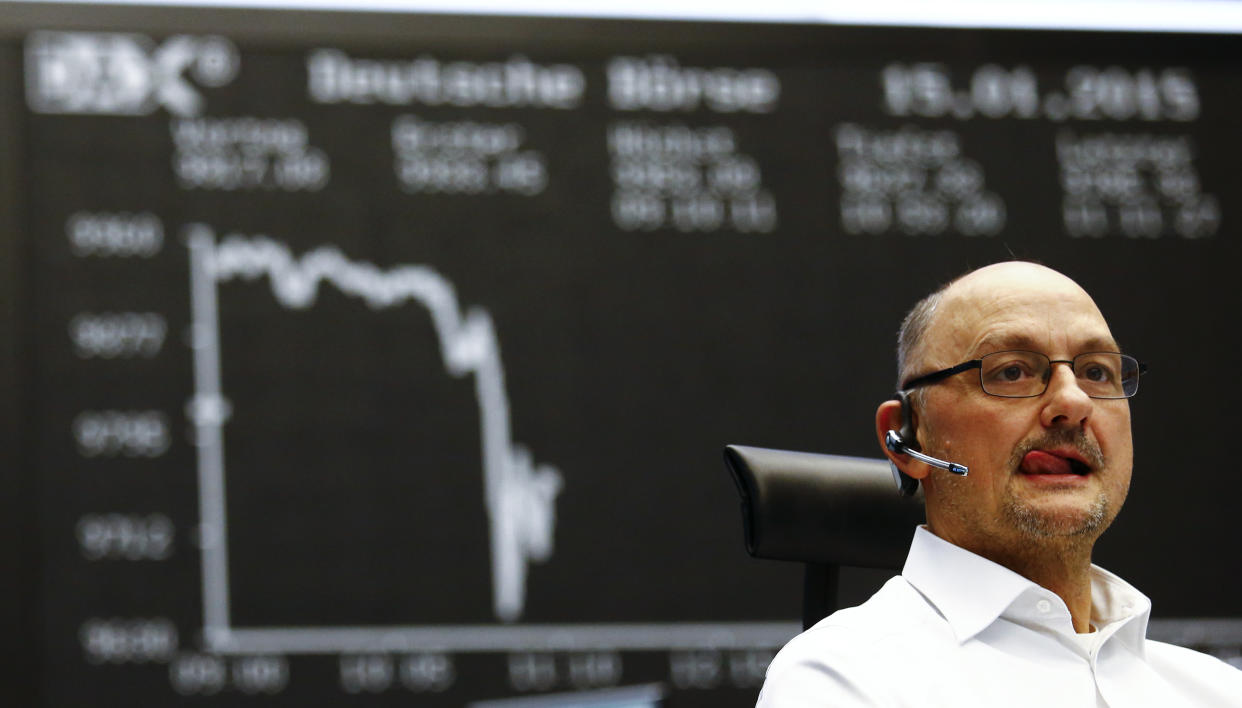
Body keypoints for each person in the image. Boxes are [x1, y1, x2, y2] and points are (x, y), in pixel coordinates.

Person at [757, 262, 1242, 707]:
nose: (1072, 402)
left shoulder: (1217, 689)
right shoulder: (842, 679)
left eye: (1096, 372)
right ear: (907, 437)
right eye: (1011, 372)